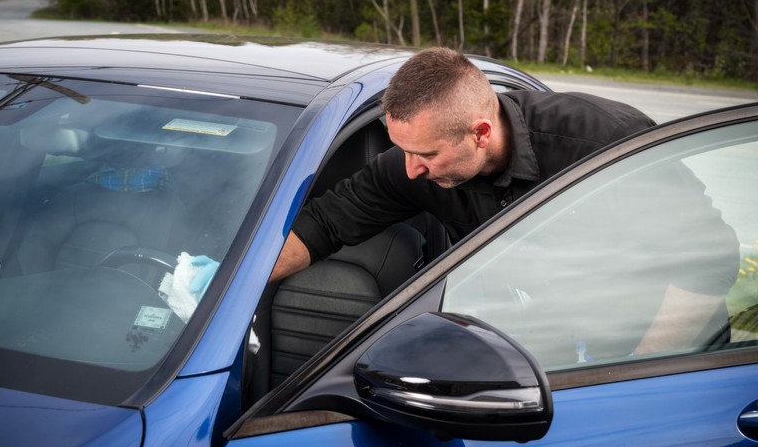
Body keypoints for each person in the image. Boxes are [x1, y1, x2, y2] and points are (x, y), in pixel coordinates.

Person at [270, 46, 656, 282]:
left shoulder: (607, 143)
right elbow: (322, 225)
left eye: (427, 154)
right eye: (402, 149)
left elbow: (696, 266)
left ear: (481, 134)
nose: (410, 170)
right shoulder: (412, 167)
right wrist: (218, 289)